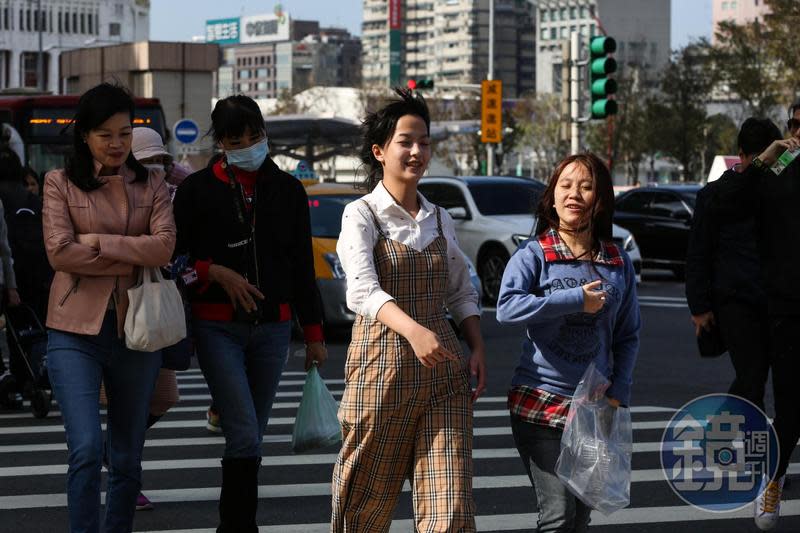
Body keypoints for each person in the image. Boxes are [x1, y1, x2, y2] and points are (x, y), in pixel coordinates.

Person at [331, 89, 486, 532]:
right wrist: (413, 330)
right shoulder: (360, 214)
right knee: (365, 504)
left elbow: (460, 291)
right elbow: (360, 290)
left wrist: (475, 345)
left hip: (443, 374)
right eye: (405, 141)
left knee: (450, 503)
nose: (417, 151)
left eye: (424, 141)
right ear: (380, 151)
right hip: (382, 371)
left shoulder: (441, 218)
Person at [172, 94, 327, 532]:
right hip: (216, 327)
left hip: (274, 329)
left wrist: (313, 334)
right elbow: (173, 259)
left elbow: (301, 264)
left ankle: (235, 524)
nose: (249, 144)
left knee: (251, 437)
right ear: (220, 142)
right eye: (236, 138)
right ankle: (240, 527)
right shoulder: (195, 191)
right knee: (243, 433)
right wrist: (213, 271)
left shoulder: (288, 190)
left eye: (255, 135)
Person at [42, 83, 176, 533]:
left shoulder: (152, 182)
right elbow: (59, 253)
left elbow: (163, 249)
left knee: (126, 454)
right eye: (105, 135)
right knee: (84, 447)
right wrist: (132, 250)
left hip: (136, 330)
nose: (117, 144)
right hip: (72, 331)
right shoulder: (58, 182)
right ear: (84, 135)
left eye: (124, 132)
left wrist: (97, 243)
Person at [496, 153, 640, 532]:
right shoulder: (534, 255)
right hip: (539, 404)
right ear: (553, 196)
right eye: (566, 185)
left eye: (586, 186)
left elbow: (627, 336)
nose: (574, 194)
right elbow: (507, 309)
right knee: (558, 513)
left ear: (601, 199)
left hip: (595, 406)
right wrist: (576, 298)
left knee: (581, 515)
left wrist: (617, 394)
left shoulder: (617, 262)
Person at [712, 116, 800, 530]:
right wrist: (763, 160)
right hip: (788, 307)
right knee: (790, 407)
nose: (798, 132)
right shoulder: (781, 168)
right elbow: (722, 200)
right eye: (795, 123)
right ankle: (774, 476)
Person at [686, 118, 782, 412]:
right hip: (735, 303)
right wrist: (699, 308)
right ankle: (743, 444)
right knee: (752, 377)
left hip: (775, 300)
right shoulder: (717, 194)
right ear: (742, 156)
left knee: (757, 376)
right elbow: (698, 252)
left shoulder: (778, 190)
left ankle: (720, 431)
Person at [0, 148, 50, 407]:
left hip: (11, 276)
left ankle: (11, 381)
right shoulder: (32, 200)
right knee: (31, 329)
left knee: (14, 333)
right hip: (39, 275)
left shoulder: (2, 199)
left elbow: (4, 247)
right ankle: (32, 376)